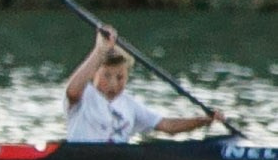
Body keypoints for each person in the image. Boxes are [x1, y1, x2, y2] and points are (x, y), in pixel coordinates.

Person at [63, 26, 223, 143]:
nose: (113, 84)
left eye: (120, 77)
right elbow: (71, 91)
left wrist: (204, 120)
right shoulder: (85, 94)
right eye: (106, 75)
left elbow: (168, 126)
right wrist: (99, 51)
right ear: (94, 74)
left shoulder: (130, 105)